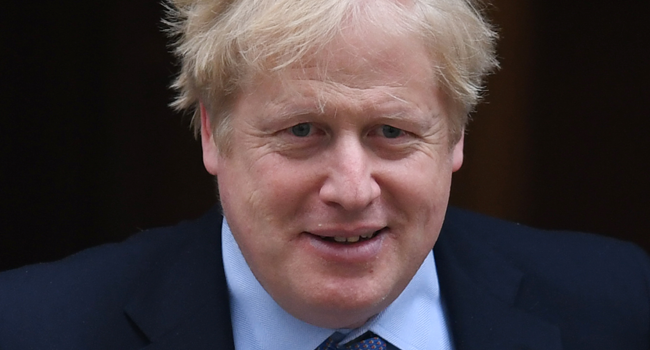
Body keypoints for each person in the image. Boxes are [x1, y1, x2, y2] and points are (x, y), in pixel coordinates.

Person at [0, 0, 648, 349]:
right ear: (211, 133)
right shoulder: (30, 329)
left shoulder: (621, 308)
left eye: (391, 132)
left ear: (454, 137)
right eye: (302, 132)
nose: (350, 189)